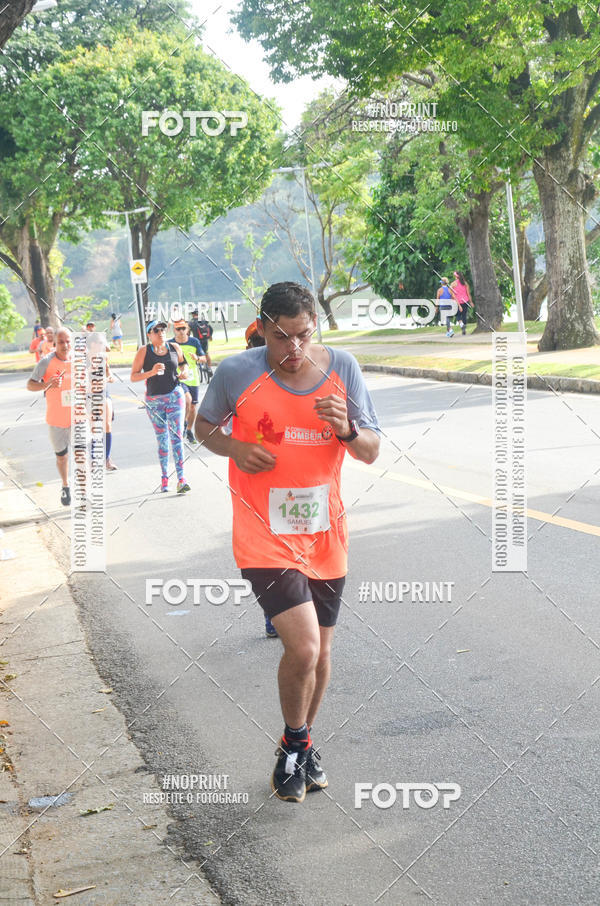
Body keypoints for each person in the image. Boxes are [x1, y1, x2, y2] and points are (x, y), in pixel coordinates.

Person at [195, 282, 381, 803]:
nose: (294, 349)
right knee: (302, 645)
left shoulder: (342, 367)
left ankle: (298, 744)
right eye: (281, 337)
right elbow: (202, 426)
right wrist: (235, 447)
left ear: (314, 325)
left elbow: (370, 450)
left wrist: (346, 430)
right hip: (263, 532)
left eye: (303, 335)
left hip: (325, 533)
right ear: (261, 330)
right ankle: (297, 746)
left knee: (321, 653)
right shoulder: (237, 372)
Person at [243, 319, 278, 638]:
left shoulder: (298, 376)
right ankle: (274, 616)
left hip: (297, 486)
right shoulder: (242, 379)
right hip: (259, 485)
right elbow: (220, 429)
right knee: (270, 553)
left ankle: (279, 615)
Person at [130, 320, 191, 494]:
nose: (161, 332)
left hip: (175, 395)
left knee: (177, 437)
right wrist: (151, 372)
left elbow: (182, 363)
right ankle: (165, 478)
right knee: (163, 441)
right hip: (154, 401)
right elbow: (133, 376)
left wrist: (184, 371)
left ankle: (181, 479)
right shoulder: (144, 351)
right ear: (149, 334)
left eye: (163, 329)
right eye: (156, 330)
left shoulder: (174, 347)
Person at [27, 328, 73, 506]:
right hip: (56, 420)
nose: (65, 345)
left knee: (81, 454)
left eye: (68, 341)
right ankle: (65, 485)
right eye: (61, 342)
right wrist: (48, 384)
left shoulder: (79, 361)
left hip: (77, 418)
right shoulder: (47, 362)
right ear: (55, 344)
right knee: (62, 457)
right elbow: (31, 385)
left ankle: (84, 492)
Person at [169, 319, 206, 445]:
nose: (181, 331)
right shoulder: (170, 344)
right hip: (178, 378)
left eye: (183, 328)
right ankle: (183, 423)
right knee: (187, 400)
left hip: (193, 378)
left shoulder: (194, 342)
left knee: (193, 406)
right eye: (178, 329)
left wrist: (197, 358)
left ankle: (189, 430)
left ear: (188, 329)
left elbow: (204, 358)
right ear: (174, 330)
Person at [86, 322, 117, 470]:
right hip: (89, 395)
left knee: (107, 425)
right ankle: (93, 459)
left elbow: (108, 373)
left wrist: (109, 377)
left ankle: (106, 459)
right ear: (92, 344)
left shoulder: (103, 357)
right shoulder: (83, 360)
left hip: (103, 393)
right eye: (100, 343)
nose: (103, 345)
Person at [189, 308, 213, 374]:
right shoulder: (204, 321)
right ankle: (210, 368)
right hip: (205, 340)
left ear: (193, 314)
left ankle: (201, 364)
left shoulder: (191, 322)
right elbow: (210, 328)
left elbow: (188, 332)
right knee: (206, 353)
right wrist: (210, 336)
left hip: (196, 341)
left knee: (197, 353)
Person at [451, 271, 473, 335]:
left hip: (457, 302)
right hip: (465, 301)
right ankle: (464, 327)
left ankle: (461, 325)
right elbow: (468, 293)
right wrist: (471, 302)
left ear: (456, 276)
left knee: (457, 315)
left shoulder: (453, 284)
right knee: (464, 315)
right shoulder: (465, 283)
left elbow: (451, 294)